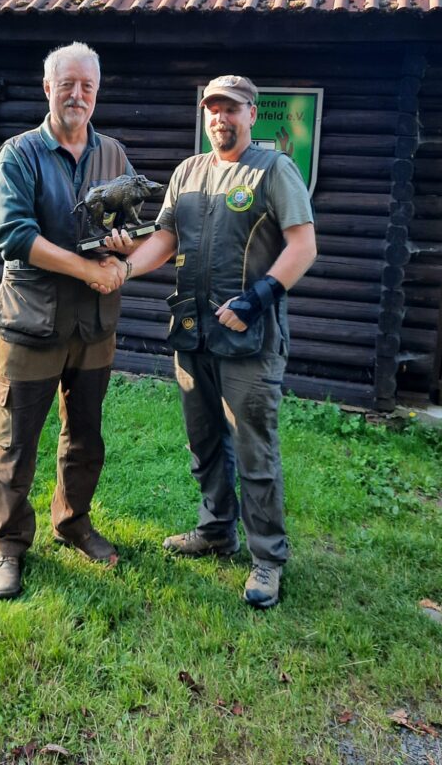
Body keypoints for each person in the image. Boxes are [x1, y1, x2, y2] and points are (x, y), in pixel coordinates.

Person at [120, 75, 317, 609]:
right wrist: (124, 269)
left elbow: (303, 245)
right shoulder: (187, 171)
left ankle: (268, 558)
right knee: (205, 445)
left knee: (254, 451)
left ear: (252, 113)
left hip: (250, 338)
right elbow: (165, 238)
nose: (220, 118)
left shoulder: (275, 170)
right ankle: (215, 531)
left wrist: (258, 297)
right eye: (212, 108)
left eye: (231, 109)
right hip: (193, 334)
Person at [0, 41, 132, 599]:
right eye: (66, 84)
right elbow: (12, 234)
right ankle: (7, 544)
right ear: (47, 88)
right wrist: (86, 269)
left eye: (86, 86)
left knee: (85, 436)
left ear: (97, 92)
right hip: (32, 322)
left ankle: (72, 522)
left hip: (94, 326)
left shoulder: (113, 154)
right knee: (16, 441)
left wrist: (120, 250)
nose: (77, 95)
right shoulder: (19, 154)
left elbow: (131, 221)